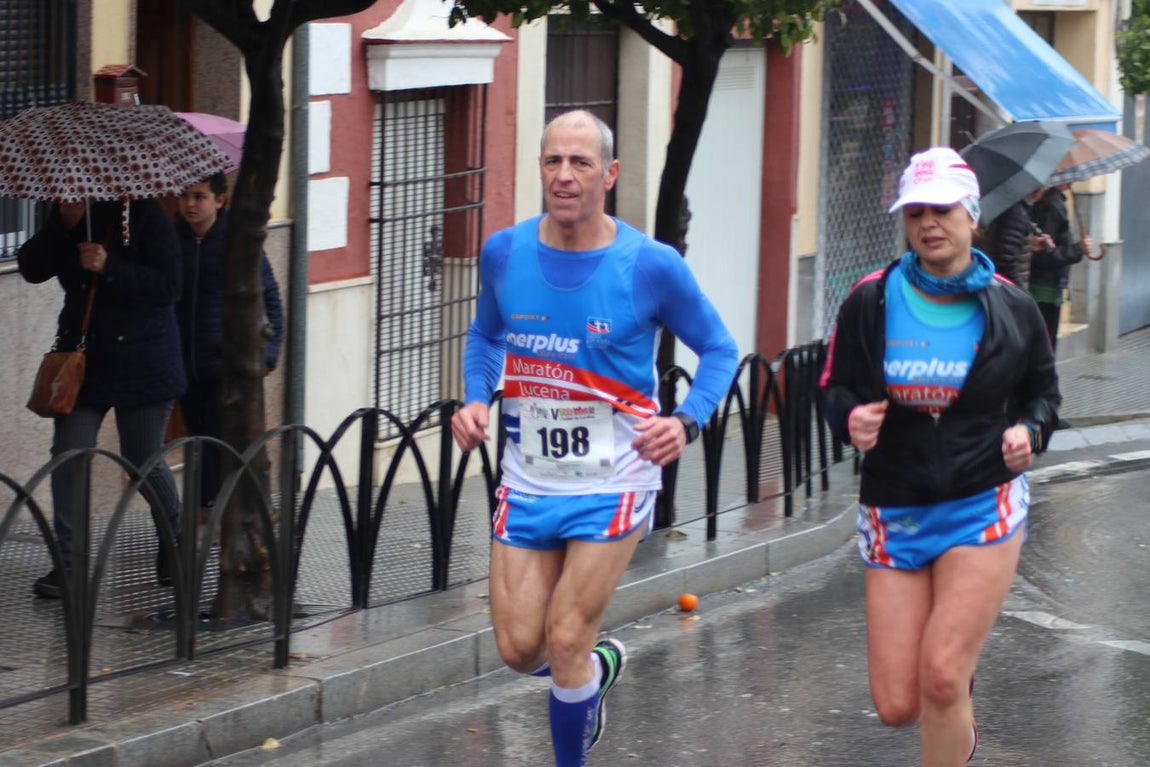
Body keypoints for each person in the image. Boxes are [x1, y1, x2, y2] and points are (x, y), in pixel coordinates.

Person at [450, 110, 739, 766]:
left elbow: (719, 347)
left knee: (566, 634)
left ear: (609, 174)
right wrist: (475, 398)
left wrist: (686, 419)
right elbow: (486, 334)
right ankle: (596, 671)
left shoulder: (650, 265)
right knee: (521, 647)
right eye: (553, 160)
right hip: (529, 476)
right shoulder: (505, 253)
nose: (564, 175)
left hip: (617, 474)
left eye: (580, 162)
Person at [821, 147, 1061, 766]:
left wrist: (1028, 434)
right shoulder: (872, 300)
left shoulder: (1012, 307)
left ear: (971, 216)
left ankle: (951, 689)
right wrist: (850, 418)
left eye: (943, 210)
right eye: (916, 212)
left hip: (982, 504)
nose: (929, 223)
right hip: (895, 506)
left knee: (943, 676)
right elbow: (832, 386)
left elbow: (1043, 395)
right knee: (897, 704)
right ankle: (954, 701)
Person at [18, 198, 186, 599]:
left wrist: (109, 265)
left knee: (142, 458)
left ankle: (175, 539)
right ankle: (70, 566)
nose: (68, 193)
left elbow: (169, 286)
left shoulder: (143, 216)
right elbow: (31, 268)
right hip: (83, 360)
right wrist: (62, 226)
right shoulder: (60, 217)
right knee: (69, 452)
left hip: (144, 358)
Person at [174, 172, 283, 528]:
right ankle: (210, 509)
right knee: (196, 436)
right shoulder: (174, 239)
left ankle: (221, 511)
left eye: (199, 196)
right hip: (182, 361)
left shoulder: (235, 242)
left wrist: (268, 353)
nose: (189, 204)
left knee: (219, 439)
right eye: (184, 196)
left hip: (223, 361)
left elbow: (269, 298)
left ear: (220, 200)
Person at [1025, 184, 1091, 353]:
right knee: (1044, 348)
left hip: (1046, 287)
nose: (1073, 180)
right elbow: (1046, 254)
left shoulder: (1052, 201)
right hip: (1044, 288)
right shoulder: (1052, 205)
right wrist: (1078, 249)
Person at [974, 198, 1031, 287]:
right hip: (999, 283)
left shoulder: (1010, 208)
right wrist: (1020, 291)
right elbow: (1006, 259)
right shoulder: (1014, 211)